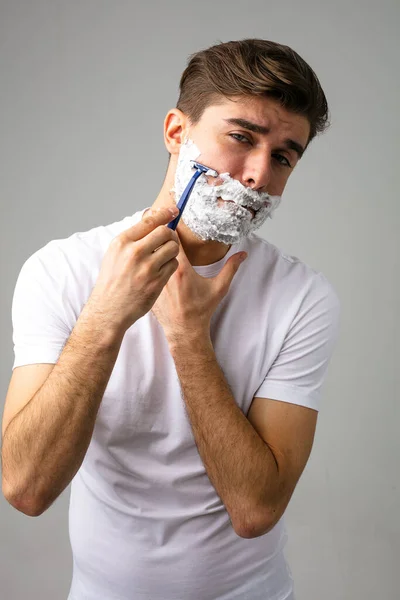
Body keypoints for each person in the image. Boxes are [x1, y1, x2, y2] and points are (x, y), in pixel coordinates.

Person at [1, 38, 341, 600]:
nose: (258, 174)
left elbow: (256, 510)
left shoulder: (303, 298)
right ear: (176, 132)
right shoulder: (60, 270)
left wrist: (187, 335)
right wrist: (105, 318)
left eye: (283, 156)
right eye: (241, 137)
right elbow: (26, 488)